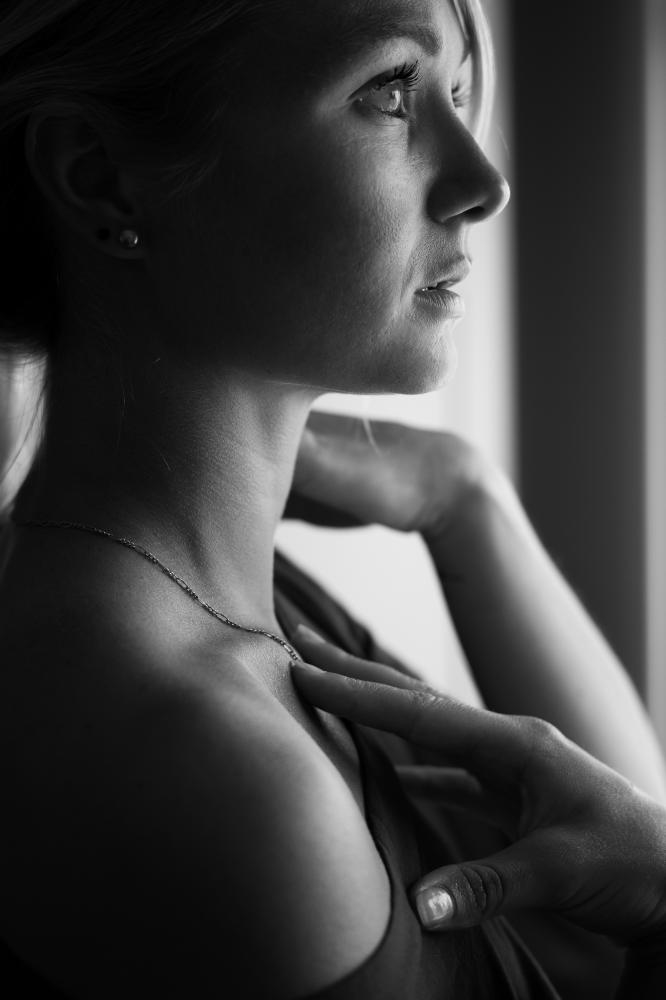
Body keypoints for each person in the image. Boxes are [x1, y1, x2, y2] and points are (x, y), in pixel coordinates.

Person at [0, 0, 664, 997]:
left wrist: (467, 499)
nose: (484, 183)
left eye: (454, 93)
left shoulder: (259, 607)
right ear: (98, 175)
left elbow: (611, 866)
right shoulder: (203, 763)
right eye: (390, 92)